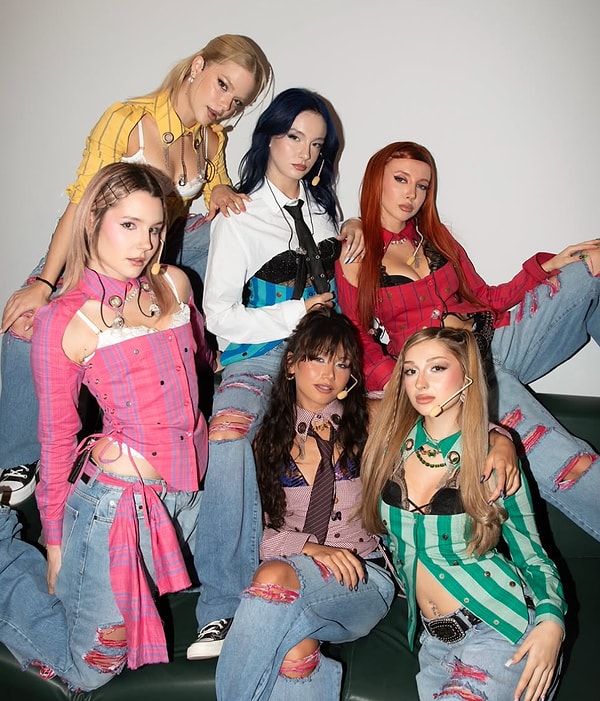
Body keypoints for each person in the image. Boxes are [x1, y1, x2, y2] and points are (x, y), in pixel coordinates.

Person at [0, 34, 273, 505]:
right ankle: (17, 462)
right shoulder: (128, 119)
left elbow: (218, 186)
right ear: (197, 66)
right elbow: (80, 204)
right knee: (28, 327)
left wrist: (221, 192)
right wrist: (44, 282)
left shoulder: (211, 138)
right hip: (96, 248)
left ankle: (230, 336)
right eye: (222, 85)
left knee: (235, 226)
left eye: (238, 101)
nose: (226, 105)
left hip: (156, 253)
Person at [0, 162, 210, 691]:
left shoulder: (174, 284)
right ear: (93, 219)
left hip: (186, 497)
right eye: (129, 225)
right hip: (114, 507)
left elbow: (200, 369)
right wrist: (54, 546)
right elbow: (56, 440)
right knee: (94, 668)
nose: (145, 243)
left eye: (155, 228)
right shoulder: (62, 318)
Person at [336, 141, 600, 540]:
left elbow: (485, 297)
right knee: (572, 467)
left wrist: (550, 264)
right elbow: (358, 336)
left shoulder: (436, 237)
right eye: (401, 180)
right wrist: (400, 380)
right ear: (376, 182)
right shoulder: (357, 253)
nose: (412, 194)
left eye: (422, 186)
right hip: (460, 376)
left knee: (588, 267)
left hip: (498, 338)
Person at [186, 87, 349, 659]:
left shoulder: (326, 213)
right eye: (294, 137)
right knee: (228, 437)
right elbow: (218, 315)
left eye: (317, 144)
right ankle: (220, 609)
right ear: (270, 138)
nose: (304, 152)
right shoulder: (240, 216)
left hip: (325, 360)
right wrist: (294, 313)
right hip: (258, 356)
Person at [359, 327, 566, 701]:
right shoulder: (388, 447)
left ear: (467, 374)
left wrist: (552, 622)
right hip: (434, 644)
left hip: (501, 628)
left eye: (436, 368)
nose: (421, 382)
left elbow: (534, 556)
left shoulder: (493, 462)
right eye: (410, 370)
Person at [215, 307, 396, 701]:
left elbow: (441, 415)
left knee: (272, 577)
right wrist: (310, 548)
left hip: (362, 577)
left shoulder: (370, 417)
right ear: (292, 364)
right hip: (294, 578)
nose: (329, 374)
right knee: (296, 649)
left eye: (342, 364)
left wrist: (499, 439)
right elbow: (245, 533)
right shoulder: (263, 439)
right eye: (318, 359)